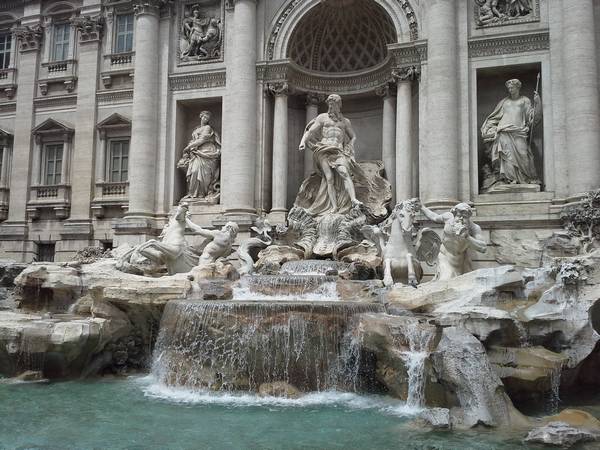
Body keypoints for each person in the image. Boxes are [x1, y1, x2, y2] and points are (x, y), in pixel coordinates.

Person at [297, 94, 367, 215]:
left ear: (339, 105)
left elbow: (353, 136)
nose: (331, 106)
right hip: (323, 149)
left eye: (333, 104)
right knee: (329, 178)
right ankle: (334, 207)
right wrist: (303, 141)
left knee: (344, 172)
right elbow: (311, 131)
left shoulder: (345, 121)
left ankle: (353, 199)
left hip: (338, 150)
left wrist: (350, 145)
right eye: (329, 104)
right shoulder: (322, 118)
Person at [481, 78, 542, 186]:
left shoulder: (525, 100)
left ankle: (525, 179)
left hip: (519, 132)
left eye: (512, 87)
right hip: (504, 131)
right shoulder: (504, 102)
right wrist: (488, 128)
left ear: (518, 87)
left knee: (523, 154)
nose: (510, 90)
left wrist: (538, 104)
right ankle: (510, 180)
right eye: (508, 88)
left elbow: (532, 119)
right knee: (507, 157)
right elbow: (494, 118)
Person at [420, 202, 487, 280]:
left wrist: (467, 237)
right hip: (444, 256)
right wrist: (422, 207)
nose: (461, 219)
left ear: (469, 217)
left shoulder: (474, 228)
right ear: (454, 214)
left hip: (461, 261)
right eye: (458, 216)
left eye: (464, 217)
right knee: (446, 279)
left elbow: (483, 248)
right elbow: (434, 217)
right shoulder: (448, 217)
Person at [178, 111, 221, 199]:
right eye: (204, 117)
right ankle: (193, 193)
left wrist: (188, 147)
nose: (206, 119)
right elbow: (195, 140)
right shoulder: (196, 129)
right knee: (194, 171)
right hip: (196, 153)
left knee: (203, 174)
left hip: (207, 151)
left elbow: (202, 140)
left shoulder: (208, 128)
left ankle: (201, 194)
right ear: (200, 117)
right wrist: (191, 147)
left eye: (207, 118)